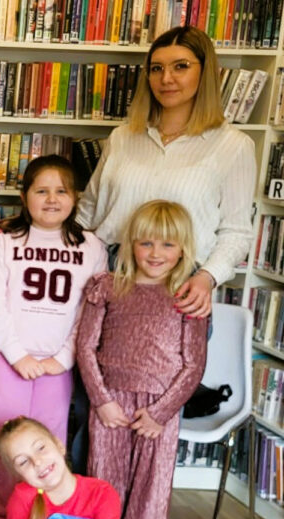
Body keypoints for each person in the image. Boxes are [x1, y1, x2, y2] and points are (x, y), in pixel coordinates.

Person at [77, 26, 254, 319]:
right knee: (88, 362)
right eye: (156, 68)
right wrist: (21, 230)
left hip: (180, 283)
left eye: (180, 67)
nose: (166, 78)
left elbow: (236, 232)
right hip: (108, 274)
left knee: (167, 364)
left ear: (206, 72)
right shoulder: (123, 136)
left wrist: (207, 277)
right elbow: (88, 212)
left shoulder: (233, 146)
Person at [0, 155, 107, 519]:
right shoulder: (4, 241)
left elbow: (90, 306)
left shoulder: (91, 246)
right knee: (2, 439)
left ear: (75, 197)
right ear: (24, 196)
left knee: (50, 441)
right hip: (8, 356)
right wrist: (16, 354)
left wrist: (63, 357)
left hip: (57, 362)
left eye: (61, 191)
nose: (51, 199)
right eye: (41, 190)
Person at [76, 200, 208, 519]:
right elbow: (85, 347)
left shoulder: (187, 298)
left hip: (159, 411)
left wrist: (161, 413)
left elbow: (194, 365)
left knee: (150, 495)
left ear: (183, 249)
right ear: (132, 243)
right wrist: (102, 400)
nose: (155, 253)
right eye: (146, 243)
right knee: (105, 485)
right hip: (111, 403)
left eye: (167, 244)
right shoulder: (107, 287)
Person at [0, 417, 123, 519]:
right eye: (23, 462)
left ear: (59, 445)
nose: (37, 461)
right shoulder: (21, 500)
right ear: (19, 475)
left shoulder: (103, 495)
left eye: (41, 448)